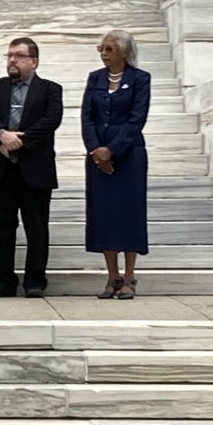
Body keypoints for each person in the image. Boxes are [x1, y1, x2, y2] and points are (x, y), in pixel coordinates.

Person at [0, 37, 63, 298]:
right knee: (0, 227)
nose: (12, 60)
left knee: (36, 227)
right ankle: (3, 281)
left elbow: (50, 120)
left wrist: (17, 142)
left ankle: (35, 281)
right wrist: (1, 135)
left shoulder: (50, 89)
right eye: (9, 55)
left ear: (33, 61)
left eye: (19, 55)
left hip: (34, 169)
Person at [82, 29, 151, 300]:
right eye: (101, 48)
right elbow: (87, 116)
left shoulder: (139, 79)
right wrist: (96, 151)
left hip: (128, 156)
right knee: (104, 216)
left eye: (109, 49)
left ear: (123, 51)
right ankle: (112, 275)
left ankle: (130, 275)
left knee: (128, 214)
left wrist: (112, 150)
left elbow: (137, 118)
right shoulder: (95, 79)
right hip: (98, 157)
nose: (104, 53)